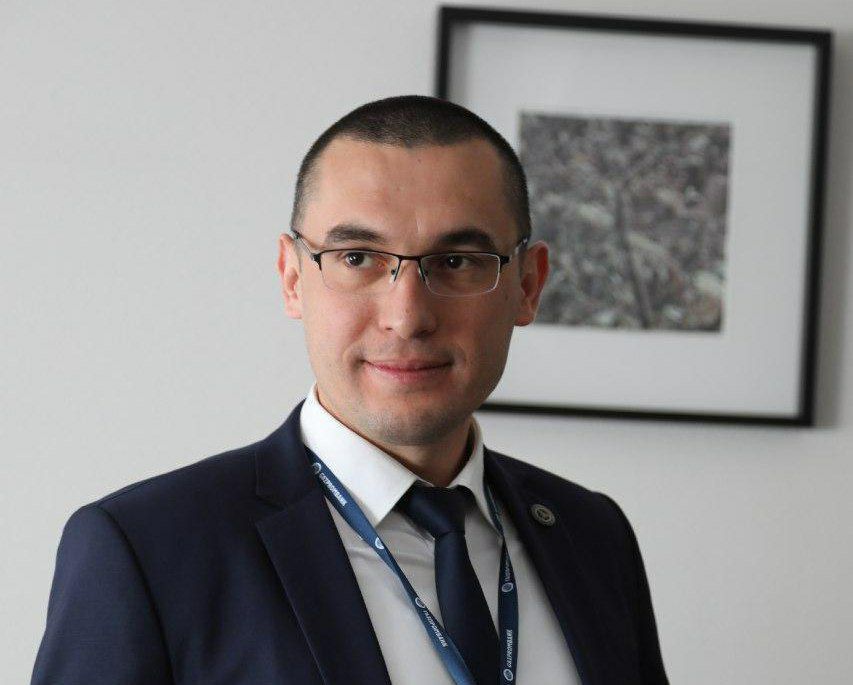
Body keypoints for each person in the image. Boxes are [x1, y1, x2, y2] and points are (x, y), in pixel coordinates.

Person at [31, 95, 668, 685]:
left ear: (528, 285)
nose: (407, 317)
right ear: (291, 278)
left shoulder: (593, 536)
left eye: (457, 262)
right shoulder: (147, 550)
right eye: (358, 257)